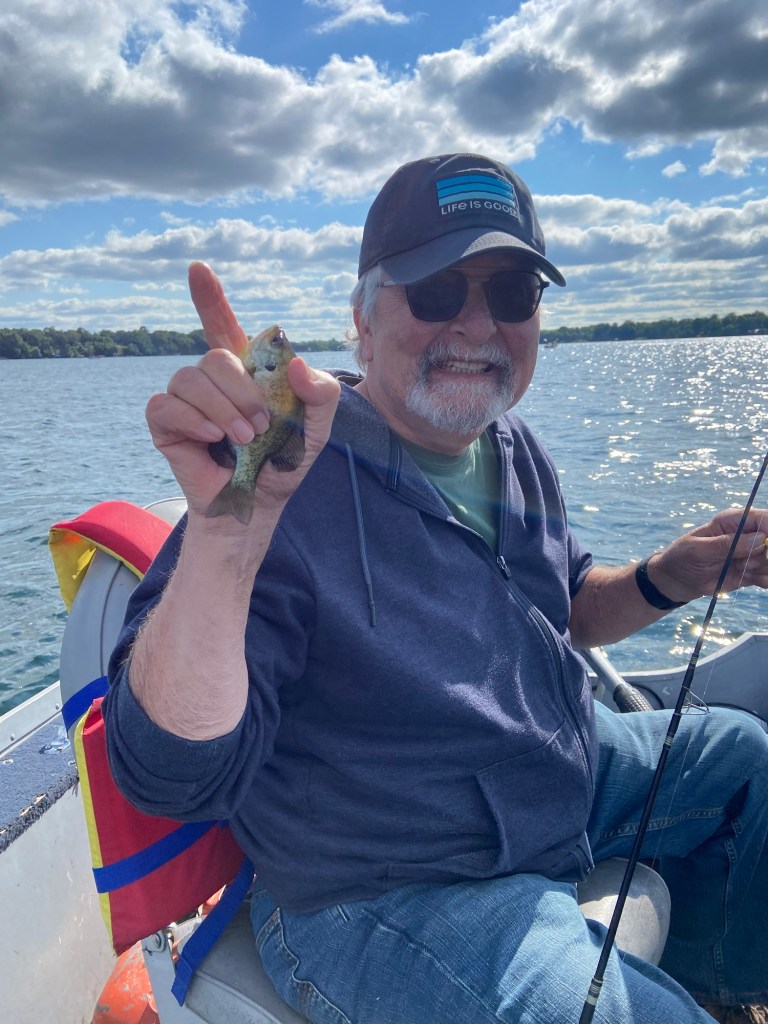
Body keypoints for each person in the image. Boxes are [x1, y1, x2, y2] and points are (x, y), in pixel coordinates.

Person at [104, 153, 768, 1024]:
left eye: (513, 293)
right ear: (362, 319)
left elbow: (564, 603)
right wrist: (232, 531)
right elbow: (165, 773)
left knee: (747, 761)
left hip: (552, 778)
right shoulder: (278, 481)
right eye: (435, 290)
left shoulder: (513, 446)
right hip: (391, 882)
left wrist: (664, 577)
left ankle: (724, 985)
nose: (478, 324)